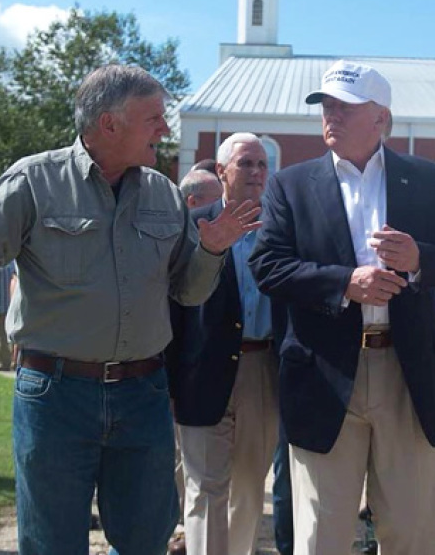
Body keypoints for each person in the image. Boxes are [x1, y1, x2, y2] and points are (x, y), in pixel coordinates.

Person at [0, 64, 260, 555]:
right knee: (52, 542)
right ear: (110, 123)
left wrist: (212, 250)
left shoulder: (164, 194)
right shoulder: (33, 182)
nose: (165, 129)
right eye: (154, 118)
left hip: (143, 394)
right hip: (55, 397)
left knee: (146, 539)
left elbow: (188, 292)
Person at [249, 60, 435, 555]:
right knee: (321, 532)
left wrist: (419, 260)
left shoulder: (427, 179)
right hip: (323, 372)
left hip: (407, 372)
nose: (330, 115)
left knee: (412, 528)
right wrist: (344, 283)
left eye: (344, 107)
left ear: (381, 118)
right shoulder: (289, 184)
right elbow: (266, 266)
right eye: (325, 106)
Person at [165, 132, 277, 555]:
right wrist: (171, 380)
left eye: (262, 165)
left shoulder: (280, 229)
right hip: (201, 373)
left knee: (249, 488)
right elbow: (173, 305)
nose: (255, 172)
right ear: (220, 171)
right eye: (246, 163)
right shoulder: (192, 226)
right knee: (205, 488)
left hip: (262, 371)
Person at [0, 262, 16, 371]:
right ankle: (13, 361)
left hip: (1, 306)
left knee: (0, 335)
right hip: (12, 306)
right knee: (12, 336)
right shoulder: (13, 266)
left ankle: (3, 362)